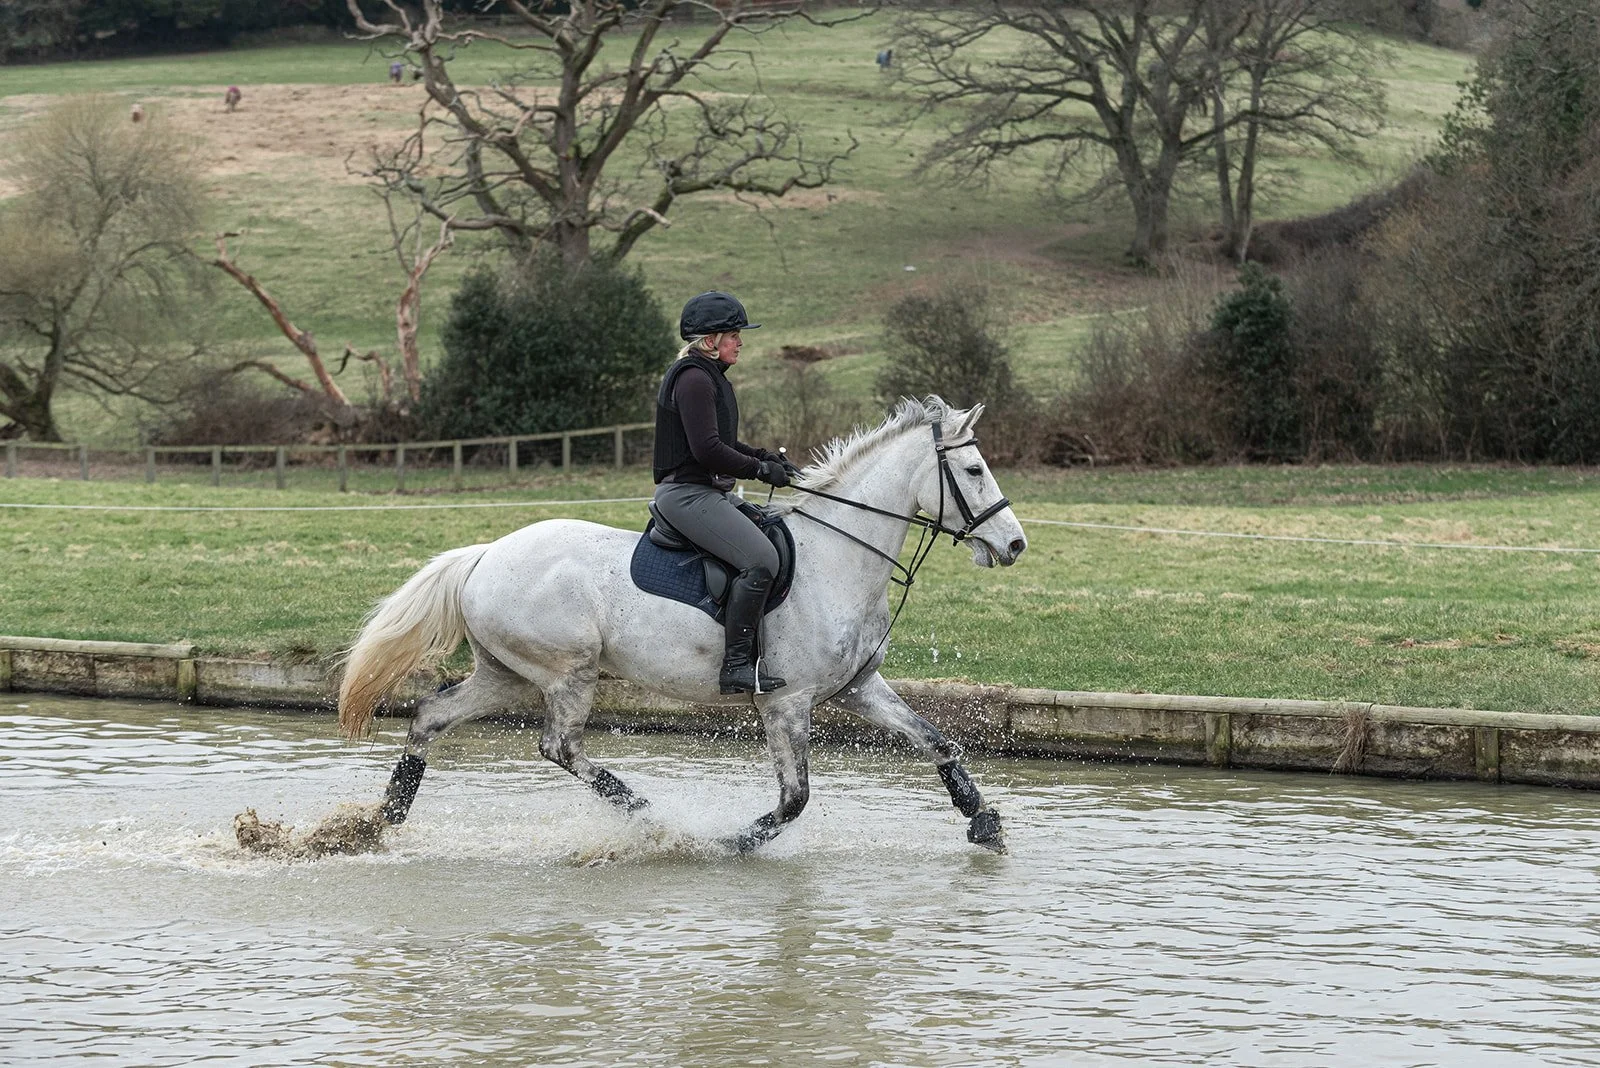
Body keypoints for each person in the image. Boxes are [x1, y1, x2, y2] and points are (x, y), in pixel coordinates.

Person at [653, 291, 800, 695]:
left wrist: (764, 456)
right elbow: (707, 451)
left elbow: (721, 442)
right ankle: (736, 665)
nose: (740, 341)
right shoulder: (695, 380)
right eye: (734, 334)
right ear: (710, 341)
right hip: (687, 495)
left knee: (772, 531)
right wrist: (759, 470)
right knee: (761, 559)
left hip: (705, 492)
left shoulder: (708, 377)